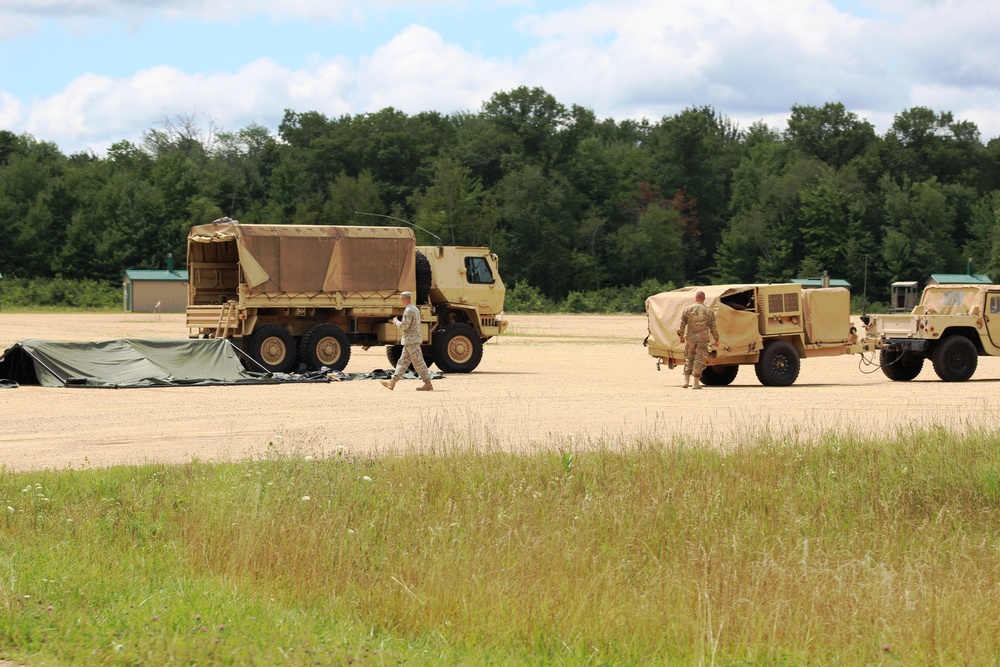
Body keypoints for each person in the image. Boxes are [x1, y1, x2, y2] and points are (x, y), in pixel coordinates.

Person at [381, 291, 434, 391]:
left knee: (418, 363)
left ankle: (428, 383)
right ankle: (392, 383)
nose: (401, 300)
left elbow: (404, 325)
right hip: (410, 341)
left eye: (401, 298)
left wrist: (395, 321)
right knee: (402, 362)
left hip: (411, 341)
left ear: (405, 299)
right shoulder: (414, 309)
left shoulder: (409, 310)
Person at [676, 290, 720, 389]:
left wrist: (681, 337)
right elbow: (713, 328)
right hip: (702, 339)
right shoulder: (709, 311)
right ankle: (695, 383)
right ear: (704, 299)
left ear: (696, 298)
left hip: (690, 338)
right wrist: (717, 340)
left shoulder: (688, 309)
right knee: (699, 359)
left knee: (689, 357)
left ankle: (686, 381)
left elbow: (681, 325)